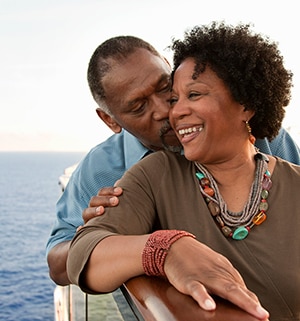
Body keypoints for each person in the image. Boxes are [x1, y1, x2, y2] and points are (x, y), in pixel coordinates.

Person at [66, 22, 300, 321]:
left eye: (192, 94)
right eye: (175, 98)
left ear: (246, 103)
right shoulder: (153, 173)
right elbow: (78, 254)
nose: (171, 111)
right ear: (111, 119)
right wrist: (164, 249)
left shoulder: (288, 169)